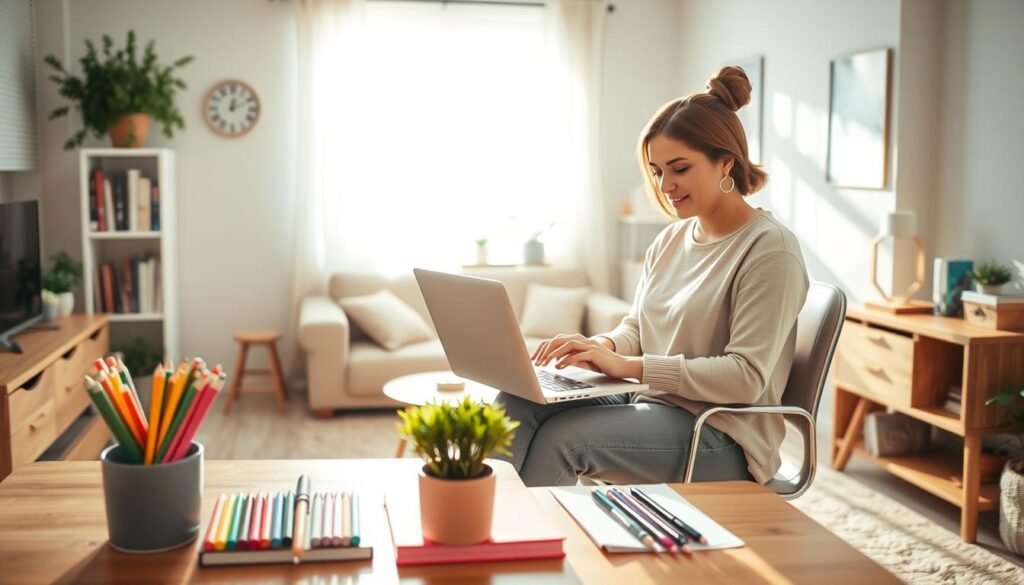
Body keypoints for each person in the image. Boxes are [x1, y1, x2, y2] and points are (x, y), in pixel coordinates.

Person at [494, 66, 809, 487]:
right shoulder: (670, 240)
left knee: (563, 440)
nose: (665, 185)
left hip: (721, 434)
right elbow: (637, 327)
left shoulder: (770, 250)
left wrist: (630, 365)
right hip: (654, 404)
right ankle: (489, 527)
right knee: (519, 400)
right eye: (658, 171)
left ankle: (532, 545)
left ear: (726, 163)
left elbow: (746, 377)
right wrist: (599, 346)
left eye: (679, 169)